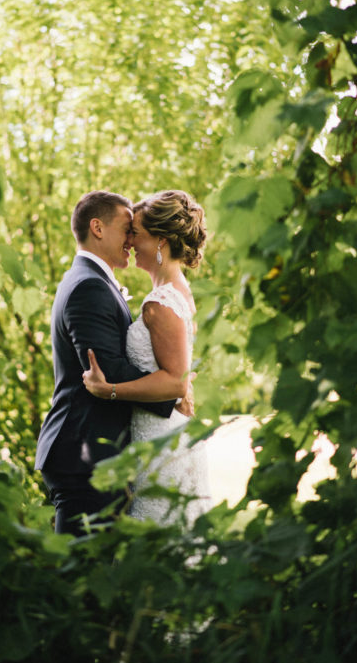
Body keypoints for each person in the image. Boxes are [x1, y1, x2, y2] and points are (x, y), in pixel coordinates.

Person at [35, 190, 189, 536]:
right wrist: (174, 387)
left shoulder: (93, 280)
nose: (131, 239)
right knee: (82, 578)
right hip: (85, 453)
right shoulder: (89, 285)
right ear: (98, 228)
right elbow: (108, 370)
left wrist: (176, 380)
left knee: (95, 575)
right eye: (126, 228)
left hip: (94, 450)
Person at [83, 189, 212, 526]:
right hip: (165, 430)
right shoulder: (179, 290)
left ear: (160, 240)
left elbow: (173, 381)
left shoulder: (159, 303)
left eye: (135, 233)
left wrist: (108, 389)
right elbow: (180, 372)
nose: (128, 242)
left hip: (158, 437)